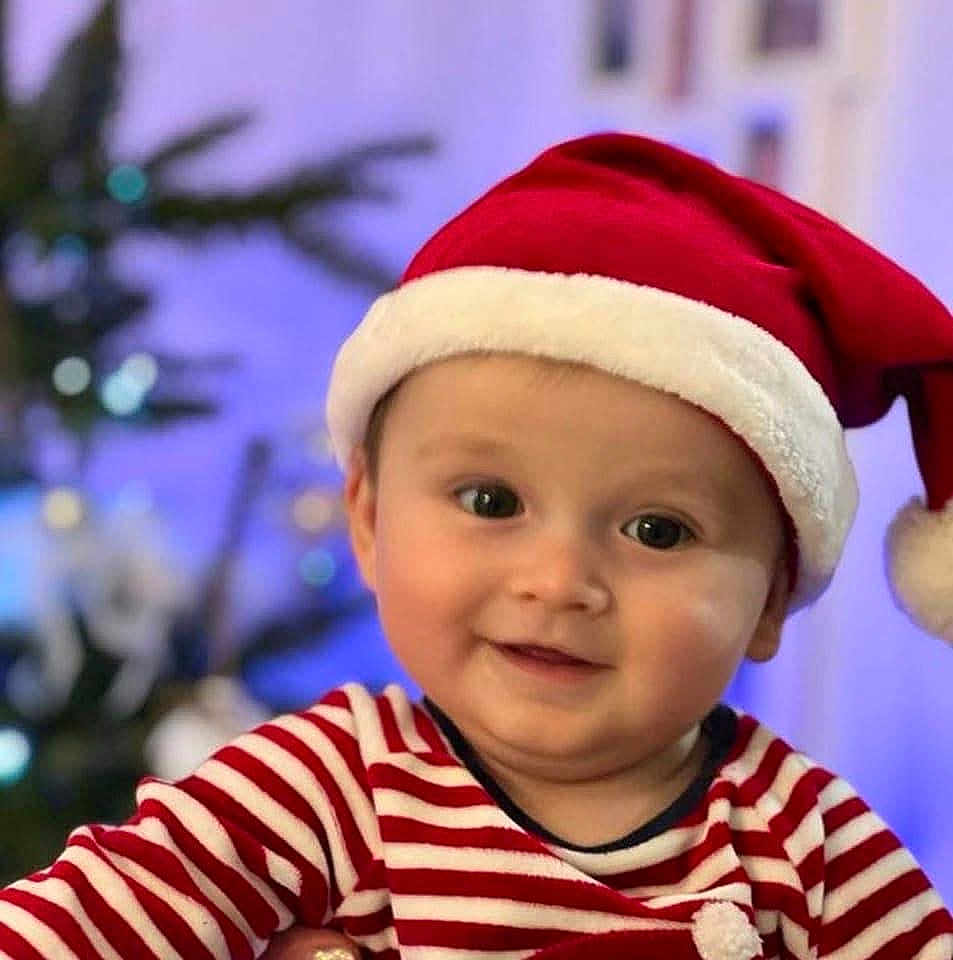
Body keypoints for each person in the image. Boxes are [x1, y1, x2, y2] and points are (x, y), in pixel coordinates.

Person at [2, 132, 952, 960]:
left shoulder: (807, 843)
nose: (558, 581)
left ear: (773, 599)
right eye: (491, 500)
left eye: (658, 530)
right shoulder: (323, 790)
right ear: (368, 519)